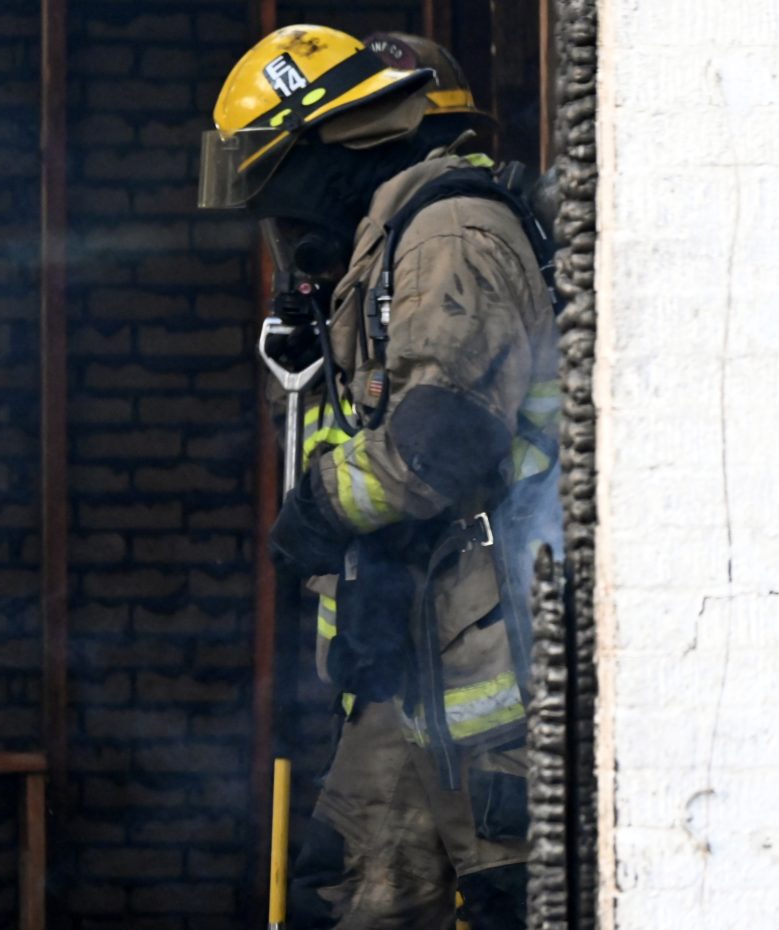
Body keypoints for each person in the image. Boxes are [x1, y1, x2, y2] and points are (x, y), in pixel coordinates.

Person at [198, 25, 560, 929]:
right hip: (408, 657)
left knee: (516, 902)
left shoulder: (451, 233)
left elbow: (442, 442)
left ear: (332, 144)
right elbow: (370, 422)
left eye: (276, 181)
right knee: (350, 895)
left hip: (489, 659)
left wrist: (319, 509)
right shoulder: (390, 238)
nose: (278, 217)